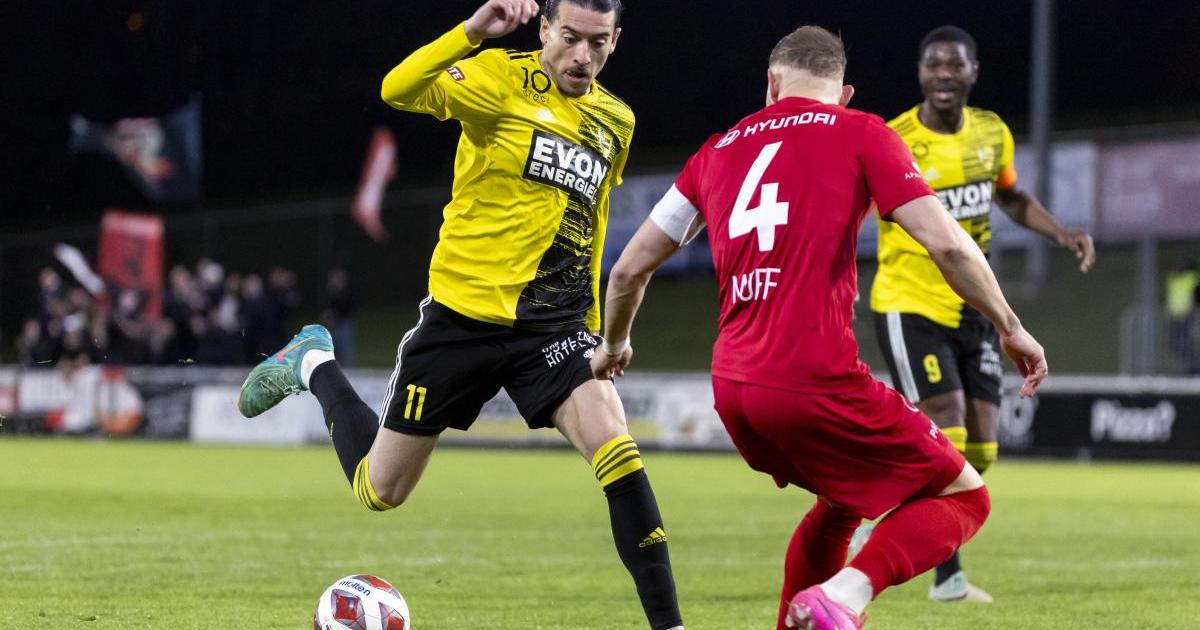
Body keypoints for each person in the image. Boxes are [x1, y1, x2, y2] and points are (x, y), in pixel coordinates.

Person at [236, 1, 684, 628]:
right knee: (380, 491)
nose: (584, 56)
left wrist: (600, 333)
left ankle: (671, 625)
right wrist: (471, 34)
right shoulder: (498, 77)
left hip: (552, 329)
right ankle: (314, 362)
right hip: (461, 321)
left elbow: (592, 224)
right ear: (545, 28)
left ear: (616, 39)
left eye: (599, 43)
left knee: (619, 451)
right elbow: (398, 89)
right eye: (572, 38)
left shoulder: (616, 119)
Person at [590, 25, 1047, 630]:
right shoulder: (862, 132)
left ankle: (803, 619)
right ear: (844, 92)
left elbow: (626, 272)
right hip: (815, 382)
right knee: (965, 495)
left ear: (771, 84)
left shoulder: (716, 150)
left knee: (841, 504)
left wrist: (615, 342)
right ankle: (845, 598)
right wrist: (1011, 326)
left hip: (733, 390)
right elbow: (951, 247)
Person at [866, 25, 1094, 602]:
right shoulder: (894, 139)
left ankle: (890, 504)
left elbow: (1010, 194)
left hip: (975, 308)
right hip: (910, 304)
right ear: (921, 73)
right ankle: (947, 578)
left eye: (955, 65)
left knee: (982, 451)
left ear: (973, 72)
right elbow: (851, 213)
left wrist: (1061, 233)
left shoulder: (991, 133)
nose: (944, 74)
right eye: (933, 65)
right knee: (949, 429)